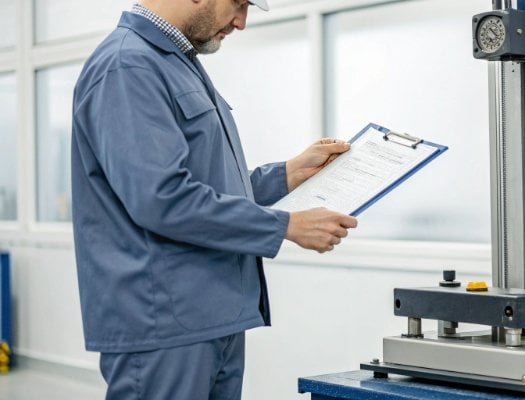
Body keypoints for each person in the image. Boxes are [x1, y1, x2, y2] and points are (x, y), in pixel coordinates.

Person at [70, 0, 358, 398]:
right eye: (238, 3)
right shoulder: (127, 66)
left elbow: (209, 186)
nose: (241, 21)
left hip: (211, 316)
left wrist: (288, 174)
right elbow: (161, 198)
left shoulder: (175, 62)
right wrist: (285, 226)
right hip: (163, 323)